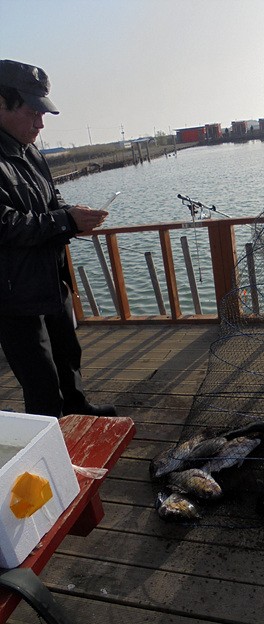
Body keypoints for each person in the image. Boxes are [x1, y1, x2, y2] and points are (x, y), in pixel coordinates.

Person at [0, 59, 118, 417]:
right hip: (15, 295)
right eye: (32, 112)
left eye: (43, 114)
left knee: (68, 355)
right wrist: (64, 220)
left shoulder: (32, 152)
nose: (40, 123)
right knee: (41, 380)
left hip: (53, 279)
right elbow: (5, 224)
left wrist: (73, 215)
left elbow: (52, 200)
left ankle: (79, 409)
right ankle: (52, 440)